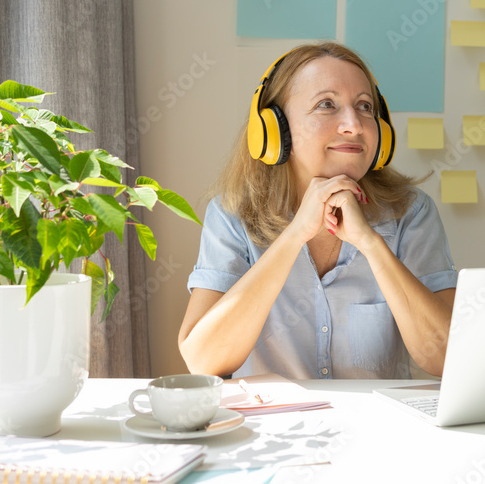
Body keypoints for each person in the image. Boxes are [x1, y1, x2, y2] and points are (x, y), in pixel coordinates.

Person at [179, 42, 457, 379]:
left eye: (365, 106)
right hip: (271, 430)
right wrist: (295, 234)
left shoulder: (411, 213)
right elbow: (203, 361)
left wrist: (369, 243)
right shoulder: (232, 215)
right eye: (327, 104)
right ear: (274, 129)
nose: (353, 124)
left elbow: (449, 358)